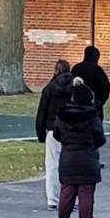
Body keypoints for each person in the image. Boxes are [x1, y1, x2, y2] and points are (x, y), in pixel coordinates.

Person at [53, 77, 106, 218]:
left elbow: (57, 135)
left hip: (68, 157)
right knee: (86, 194)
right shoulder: (92, 117)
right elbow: (100, 138)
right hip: (88, 158)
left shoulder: (63, 116)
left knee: (66, 193)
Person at [35, 60, 75, 209]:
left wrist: (40, 133)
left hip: (53, 128)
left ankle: (53, 198)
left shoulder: (49, 89)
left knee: (52, 164)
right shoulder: (75, 88)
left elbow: (42, 112)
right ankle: (72, 197)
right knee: (71, 164)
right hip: (72, 129)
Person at [71, 45, 110, 121]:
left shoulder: (76, 68)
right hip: (94, 105)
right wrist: (100, 101)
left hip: (76, 105)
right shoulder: (98, 70)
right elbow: (105, 87)